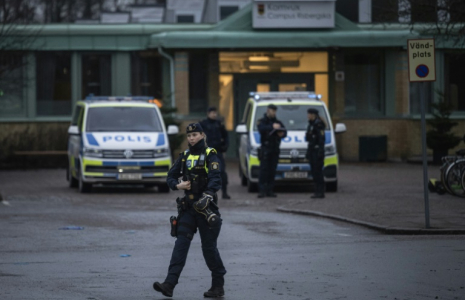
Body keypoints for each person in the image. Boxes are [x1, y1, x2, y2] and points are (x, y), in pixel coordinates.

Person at [153, 123, 227, 298]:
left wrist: (208, 195)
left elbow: (216, 180)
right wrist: (177, 185)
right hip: (188, 209)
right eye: (189, 136)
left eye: (194, 135)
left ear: (202, 135)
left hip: (206, 209)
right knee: (180, 246)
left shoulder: (211, 155)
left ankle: (218, 285)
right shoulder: (184, 156)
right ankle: (169, 285)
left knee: (209, 249)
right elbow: (170, 177)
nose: (191, 138)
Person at [199, 107, 231, 199]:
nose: (214, 115)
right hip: (205, 152)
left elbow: (226, 136)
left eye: (215, 113)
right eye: (213, 113)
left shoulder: (219, 124)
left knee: (222, 172)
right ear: (208, 113)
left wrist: (225, 147)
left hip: (217, 152)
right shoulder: (203, 124)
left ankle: (224, 192)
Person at [257, 104, 287, 198]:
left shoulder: (278, 122)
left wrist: (281, 133)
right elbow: (261, 129)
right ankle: (262, 191)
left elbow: (284, 132)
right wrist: (272, 126)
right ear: (267, 111)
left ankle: (270, 190)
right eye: (271, 111)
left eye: (274, 111)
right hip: (266, 149)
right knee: (264, 171)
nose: (273, 113)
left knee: (272, 171)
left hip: (275, 149)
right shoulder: (262, 121)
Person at [306, 108, 326, 199]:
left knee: (318, 172)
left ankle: (320, 191)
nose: (308, 116)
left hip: (317, 151)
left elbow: (321, 139)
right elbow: (309, 139)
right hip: (312, 151)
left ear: (313, 115)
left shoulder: (318, 124)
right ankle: (316, 191)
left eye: (309, 114)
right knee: (314, 172)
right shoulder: (311, 124)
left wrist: (320, 152)